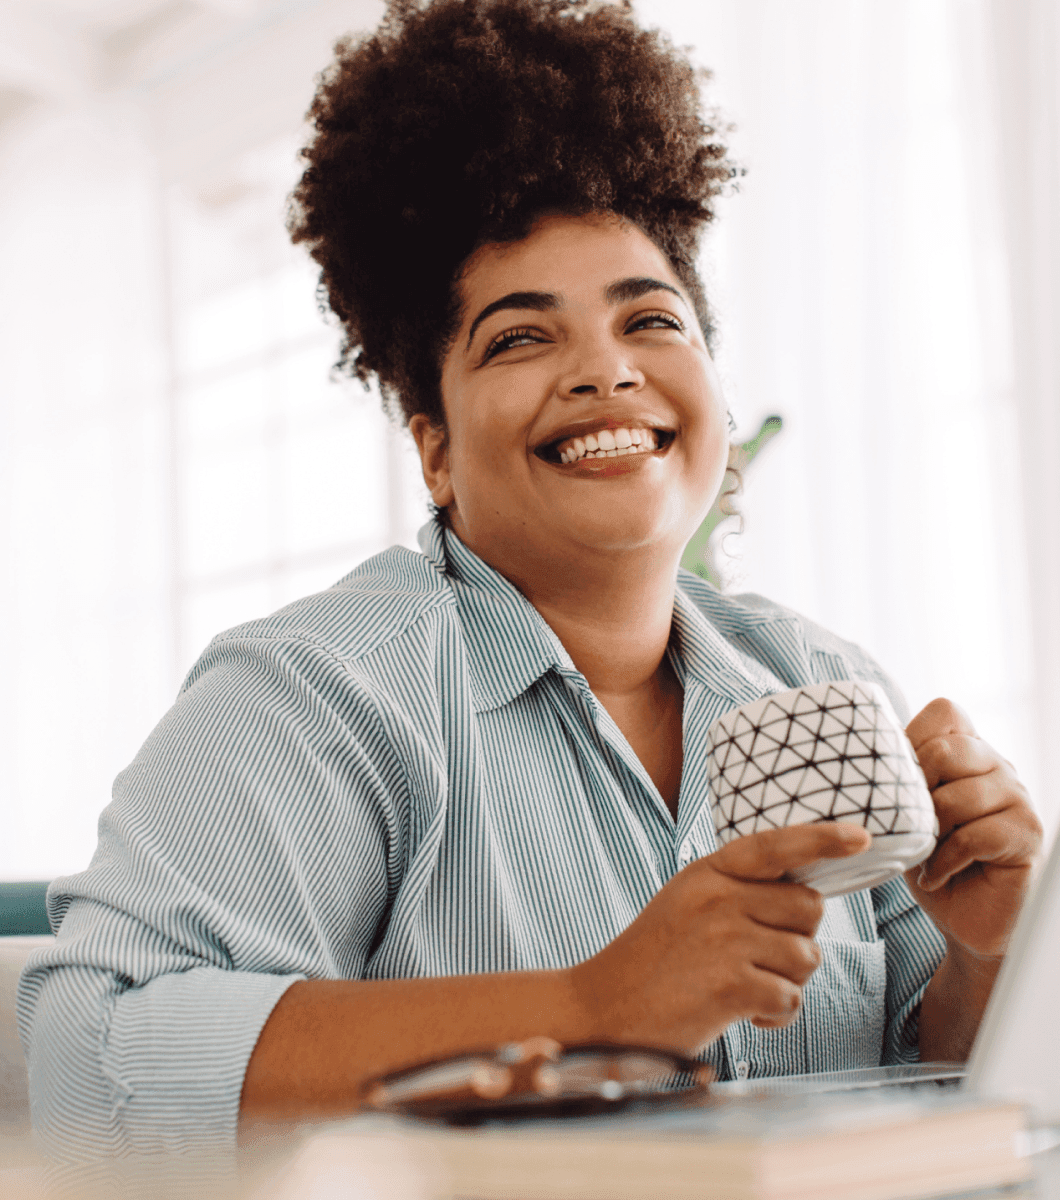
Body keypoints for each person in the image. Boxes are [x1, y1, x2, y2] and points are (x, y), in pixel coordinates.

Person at [18, 0, 1041, 1162]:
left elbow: (922, 1078)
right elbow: (89, 1064)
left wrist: (989, 954)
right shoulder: (318, 696)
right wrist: (587, 1010)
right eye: (519, 338)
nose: (605, 369)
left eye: (648, 319)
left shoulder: (821, 680)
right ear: (435, 450)